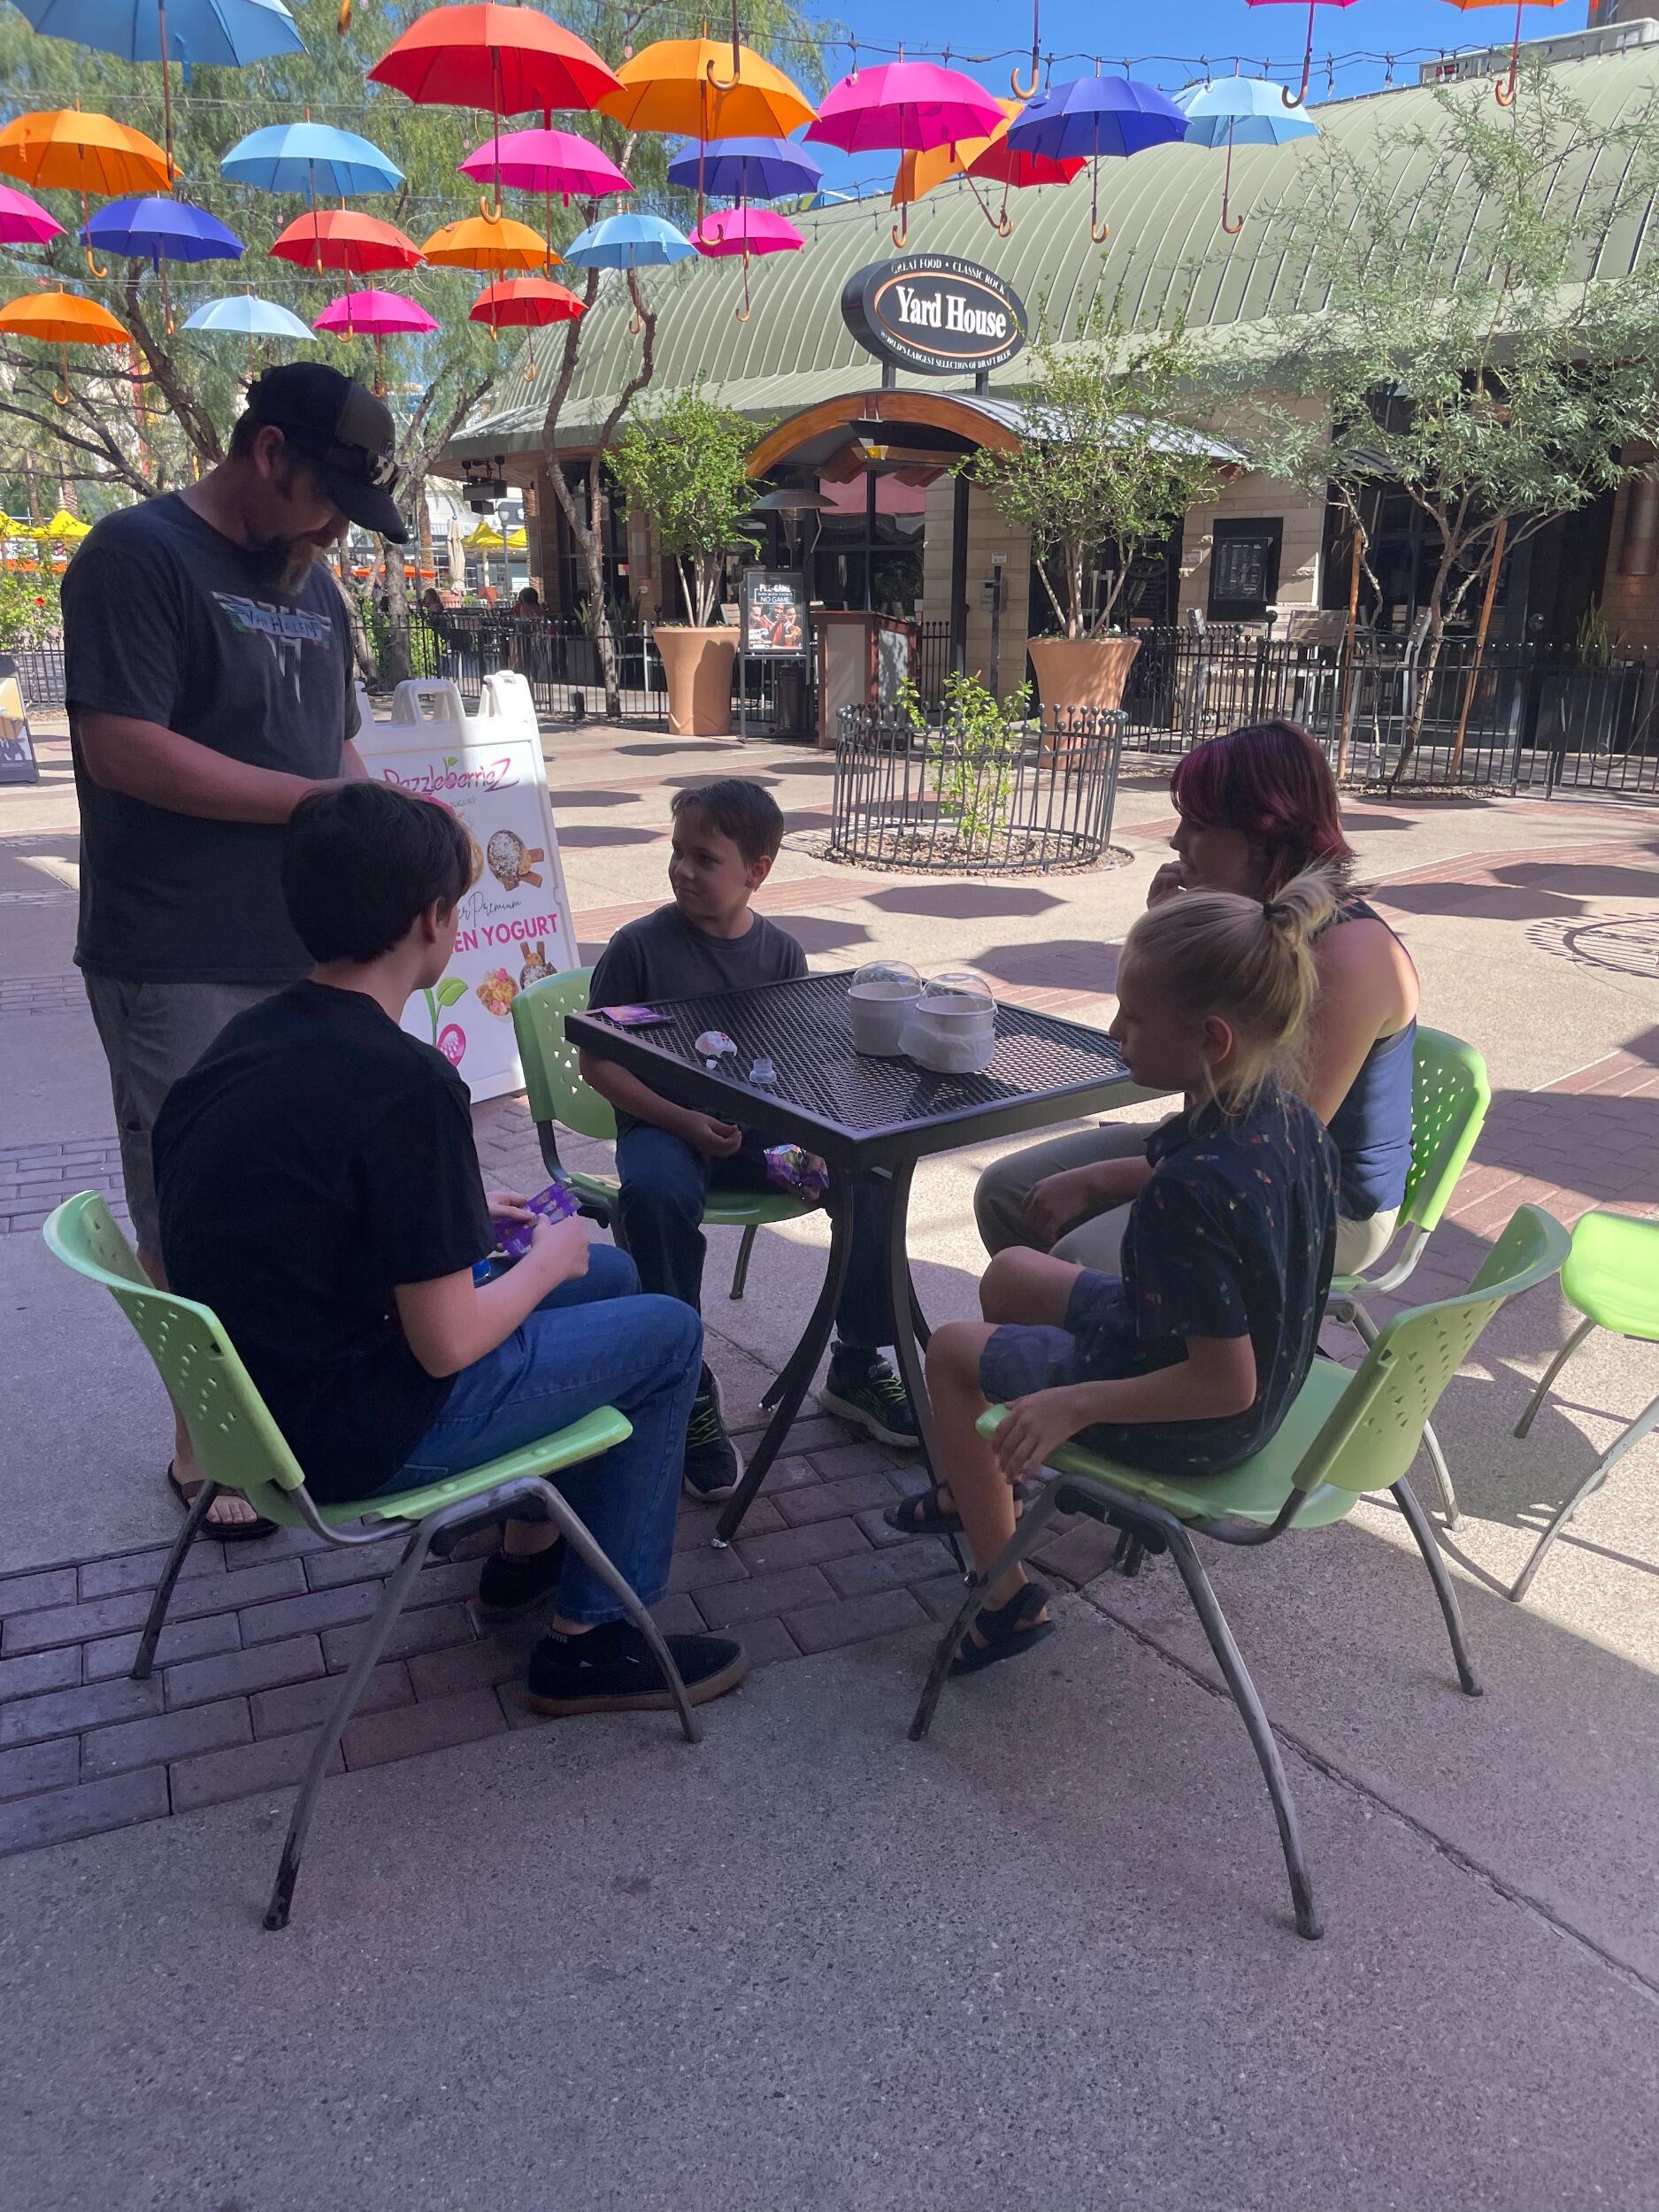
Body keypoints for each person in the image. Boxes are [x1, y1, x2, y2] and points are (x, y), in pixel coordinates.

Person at [152, 780, 746, 1715]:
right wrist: (544, 1258)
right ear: (433, 920)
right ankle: (591, 1641)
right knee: (666, 1332)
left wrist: (463, 1210)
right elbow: (447, 1343)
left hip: (266, 1405)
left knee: (618, 1270)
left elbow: (308, 1212)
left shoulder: (243, 1042)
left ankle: (525, 1551)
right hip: (357, 1431)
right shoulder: (408, 1080)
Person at [62, 362, 405, 1539]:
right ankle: (204, 1443)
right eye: (325, 497)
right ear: (267, 453)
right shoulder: (134, 557)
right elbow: (125, 754)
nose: (330, 527)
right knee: (197, 1198)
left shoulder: (312, 583)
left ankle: (295, 1414)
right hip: (175, 949)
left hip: (309, 948)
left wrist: (390, 839)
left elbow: (336, 751)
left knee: (313, 1193)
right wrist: (315, 806)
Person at [910, 873, 1341, 1672]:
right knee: (1011, 1272)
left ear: (1211, 1039)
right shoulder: (1281, 1115)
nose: (1115, 1029)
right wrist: (1096, 1176)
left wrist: (1074, 1402)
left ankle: (1005, 1602)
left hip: (1204, 1422)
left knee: (949, 1352)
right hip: (1261, 1373)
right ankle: (985, 1488)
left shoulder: (1190, 1194)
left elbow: (1223, 1385)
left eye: (1134, 1018)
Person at [975, 719, 1417, 1283]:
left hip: (1318, 1194)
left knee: (1078, 1263)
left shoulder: (1348, 955)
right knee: (1008, 1195)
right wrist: (1166, 934)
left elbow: (1271, 1146)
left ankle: (1170, 1357)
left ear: (1263, 834)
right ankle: (1128, 1344)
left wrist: (1098, 1180)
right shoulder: (1243, 919)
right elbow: (1182, 1059)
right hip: (1216, 1145)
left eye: (1198, 824)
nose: (1176, 841)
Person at [580, 778, 918, 1499]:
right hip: (666, 1130)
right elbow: (599, 1062)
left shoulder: (779, 953)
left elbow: (794, 1067)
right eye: (677, 854)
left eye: (703, 859)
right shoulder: (637, 948)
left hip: (762, 1141)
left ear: (756, 871)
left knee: (869, 1179)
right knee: (653, 1195)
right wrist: (679, 1121)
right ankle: (684, 1381)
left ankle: (857, 1363)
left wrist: (825, 1138)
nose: (682, 871)